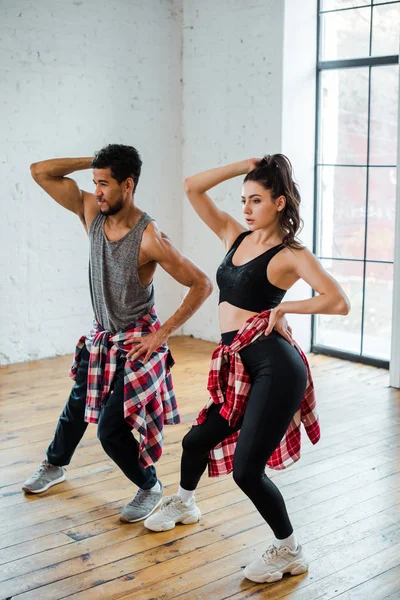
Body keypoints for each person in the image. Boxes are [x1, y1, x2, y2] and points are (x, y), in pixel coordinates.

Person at [144, 154, 350, 583]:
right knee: (197, 440)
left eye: (256, 200)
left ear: (279, 202)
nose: (246, 209)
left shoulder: (291, 254)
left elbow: (338, 300)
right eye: (243, 200)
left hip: (276, 367)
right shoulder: (235, 236)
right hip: (239, 365)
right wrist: (247, 165)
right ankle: (184, 501)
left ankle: (289, 549)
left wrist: (286, 306)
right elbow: (192, 186)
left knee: (246, 470)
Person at [22, 144, 213, 524]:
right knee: (78, 404)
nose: (97, 191)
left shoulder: (149, 237)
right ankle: (55, 464)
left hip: (138, 343)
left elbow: (202, 284)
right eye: (94, 182)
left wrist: (162, 336)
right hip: (103, 337)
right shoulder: (92, 212)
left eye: (105, 183)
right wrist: (90, 163)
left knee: (110, 430)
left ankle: (150, 485)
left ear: (128, 185)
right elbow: (40, 171)